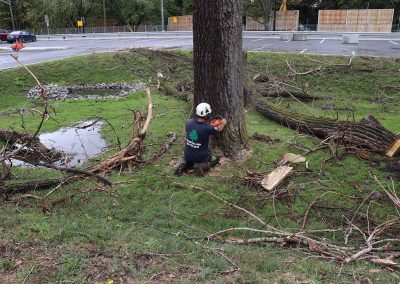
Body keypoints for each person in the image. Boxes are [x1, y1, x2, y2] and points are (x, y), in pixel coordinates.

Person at [174, 103, 227, 177]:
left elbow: (187, 136)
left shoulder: (189, 122)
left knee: (190, 161)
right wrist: (223, 122)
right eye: (208, 113)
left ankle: (185, 165)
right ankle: (202, 166)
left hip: (187, 154)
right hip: (201, 157)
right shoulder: (208, 128)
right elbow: (219, 128)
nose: (209, 114)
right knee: (216, 159)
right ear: (205, 115)